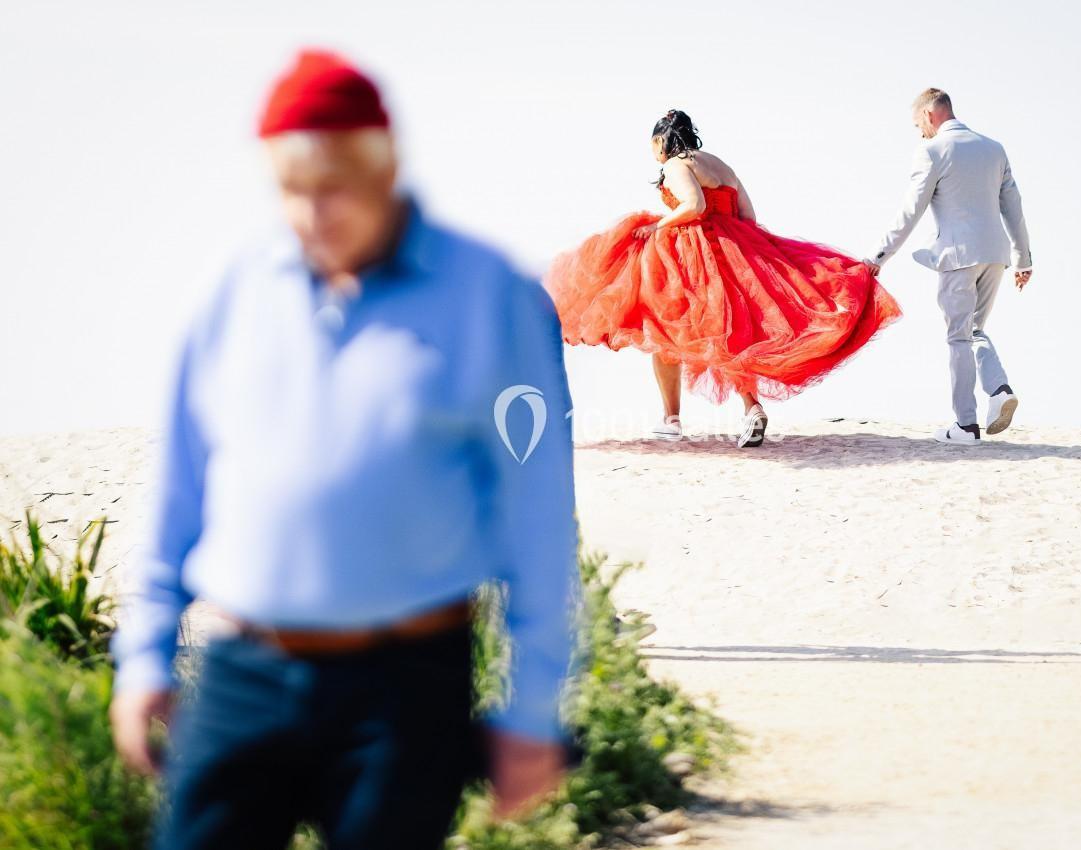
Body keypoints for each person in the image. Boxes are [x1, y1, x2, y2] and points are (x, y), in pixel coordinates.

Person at [108, 50, 579, 850]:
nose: (313, 213)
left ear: (385, 169)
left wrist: (532, 711)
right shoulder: (233, 289)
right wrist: (144, 654)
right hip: (242, 674)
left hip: (403, 686)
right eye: (292, 190)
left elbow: (536, 517)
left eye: (334, 188)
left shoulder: (486, 293)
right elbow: (180, 488)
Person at [546, 110, 902, 448]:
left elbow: (694, 205)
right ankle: (751, 409)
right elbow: (747, 214)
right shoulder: (722, 165)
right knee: (736, 334)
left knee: (663, 327)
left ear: (662, 140)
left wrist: (659, 225)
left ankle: (671, 420)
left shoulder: (674, 164)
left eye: (653, 144)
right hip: (735, 250)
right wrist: (749, 258)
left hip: (691, 254)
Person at [864, 88, 1033, 445]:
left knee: (958, 337)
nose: (919, 133)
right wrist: (1024, 260)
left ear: (929, 115)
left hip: (958, 258)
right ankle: (999, 389)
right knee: (974, 331)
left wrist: (878, 257)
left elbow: (911, 211)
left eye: (917, 125)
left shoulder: (931, 150)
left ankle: (966, 426)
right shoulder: (994, 148)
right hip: (996, 255)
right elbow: (1013, 207)